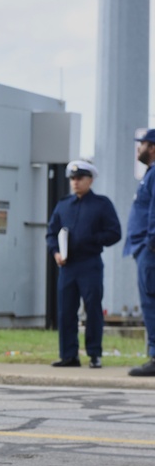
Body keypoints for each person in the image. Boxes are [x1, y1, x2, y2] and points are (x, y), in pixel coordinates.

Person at [45, 160, 121, 369]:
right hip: (68, 266)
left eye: (79, 178)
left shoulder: (101, 204)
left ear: (90, 180)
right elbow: (52, 233)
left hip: (90, 263)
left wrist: (93, 239)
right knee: (66, 310)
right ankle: (69, 355)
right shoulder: (63, 205)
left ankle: (94, 354)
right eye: (72, 179)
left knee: (93, 309)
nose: (75, 182)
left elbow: (115, 233)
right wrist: (55, 252)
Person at [125, 129, 155, 377]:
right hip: (145, 247)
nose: (139, 149)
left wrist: (151, 242)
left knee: (151, 302)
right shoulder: (149, 174)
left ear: (152, 147)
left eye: (142, 144)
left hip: (150, 249)